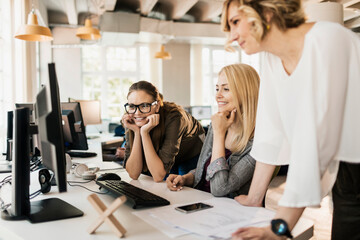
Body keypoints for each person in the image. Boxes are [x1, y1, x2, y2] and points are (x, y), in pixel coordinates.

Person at [221, 0, 360, 239]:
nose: (232, 36)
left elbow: (316, 143)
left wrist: (279, 227)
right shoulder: (272, 60)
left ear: (265, 11)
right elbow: (271, 132)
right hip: (346, 177)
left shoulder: (328, 40)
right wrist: (255, 199)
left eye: (235, 22)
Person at [166, 63, 259, 198]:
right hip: (202, 202)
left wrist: (219, 133)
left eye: (226, 89)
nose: (218, 96)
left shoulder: (257, 141)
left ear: (246, 93)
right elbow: (207, 169)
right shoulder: (216, 125)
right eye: (217, 89)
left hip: (230, 213)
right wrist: (186, 178)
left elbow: (220, 188)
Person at [122, 81, 205, 182]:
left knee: (180, 184)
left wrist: (144, 133)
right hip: (166, 156)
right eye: (132, 106)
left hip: (190, 152)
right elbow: (133, 174)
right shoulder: (132, 117)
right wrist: (137, 132)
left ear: (156, 106)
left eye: (144, 106)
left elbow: (158, 176)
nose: (137, 113)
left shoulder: (174, 117)